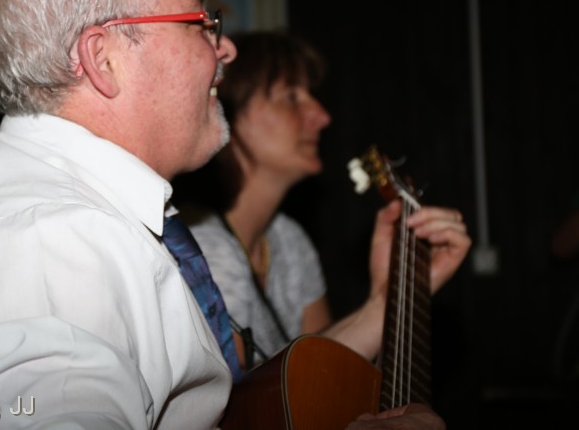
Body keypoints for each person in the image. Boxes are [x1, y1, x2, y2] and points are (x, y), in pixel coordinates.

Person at [0, 0, 464, 429]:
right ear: (103, 58)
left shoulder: (87, 224)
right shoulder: (45, 241)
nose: (225, 47)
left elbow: (250, 403)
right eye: (201, 20)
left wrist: (386, 304)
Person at [177, 31, 471, 373]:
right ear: (229, 112)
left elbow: (324, 387)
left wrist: (393, 298)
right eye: (291, 97)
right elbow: (244, 401)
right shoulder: (203, 250)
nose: (321, 115)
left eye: (310, 96)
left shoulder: (288, 239)